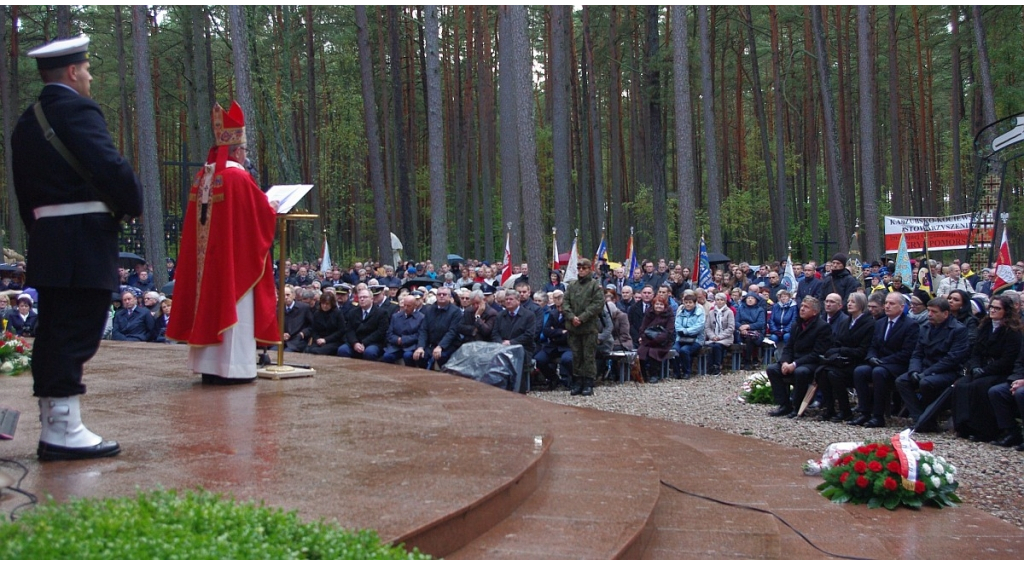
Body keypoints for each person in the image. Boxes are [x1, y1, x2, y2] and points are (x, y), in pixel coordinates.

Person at [12, 35, 144, 460]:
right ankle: (64, 432)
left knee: (53, 334)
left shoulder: (26, 121)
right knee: (76, 332)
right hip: (83, 239)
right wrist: (133, 201)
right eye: (86, 70)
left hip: (50, 241)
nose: (89, 77)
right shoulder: (77, 109)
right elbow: (110, 164)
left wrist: (42, 233)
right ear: (72, 72)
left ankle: (57, 425)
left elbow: (24, 194)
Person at [167, 101, 279, 385]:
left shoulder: (203, 176)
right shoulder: (237, 177)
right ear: (237, 151)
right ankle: (234, 369)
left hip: (208, 264)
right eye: (245, 150)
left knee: (207, 306)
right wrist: (272, 206)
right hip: (231, 262)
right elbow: (258, 216)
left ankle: (209, 367)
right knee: (235, 314)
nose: (245, 155)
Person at [951, 295, 1022, 441]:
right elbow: (976, 351)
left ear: (1006, 311)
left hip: (1000, 371)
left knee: (980, 386)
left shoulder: (1012, 331)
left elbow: (1007, 360)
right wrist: (976, 366)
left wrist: (985, 371)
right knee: (961, 385)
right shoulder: (985, 326)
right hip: (982, 368)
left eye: (998, 308)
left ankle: (985, 430)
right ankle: (964, 427)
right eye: (991, 307)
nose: (993, 311)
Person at [894, 297, 970, 432]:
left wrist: (926, 373)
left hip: (947, 371)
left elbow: (952, 358)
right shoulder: (925, 327)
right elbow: (917, 353)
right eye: (929, 311)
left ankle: (928, 418)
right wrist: (914, 371)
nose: (929, 314)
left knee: (926, 383)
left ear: (945, 314)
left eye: (934, 312)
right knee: (902, 381)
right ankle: (920, 419)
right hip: (925, 368)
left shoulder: (958, 330)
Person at [850, 292, 921, 428]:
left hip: (898, 364)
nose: (887, 306)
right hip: (880, 362)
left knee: (878, 372)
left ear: (901, 307)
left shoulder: (910, 325)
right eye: (886, 303)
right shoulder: (880, 323)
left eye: (891, 304)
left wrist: (884, 361)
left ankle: (878, 416)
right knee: (860, 371)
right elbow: (873, 345)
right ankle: (864, 412)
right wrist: (871, 357)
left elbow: (907, 352)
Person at [766, 297, 832, 418]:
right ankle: (784, 405)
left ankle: (797, 406)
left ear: (815, 311)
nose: (802, 309)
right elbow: (788, 347)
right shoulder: (796, 325)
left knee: (800, 372)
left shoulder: (822, 327)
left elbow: (817, 353)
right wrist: (785, 362)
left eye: (806, 307)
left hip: (810, 362)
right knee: (772, 369)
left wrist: (794, 364)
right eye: (801, 306)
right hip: (793, 360)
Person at [815, 293, 874, 422]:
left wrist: (841, 351)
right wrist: (834, 352)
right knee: (821, 371)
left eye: (853, 302)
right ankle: (829, 408)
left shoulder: (869, 323)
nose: (849, 304)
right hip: (842, 359)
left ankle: (845, 410)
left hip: (857, 361)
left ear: (861, 305)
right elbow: (838, 341)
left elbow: (863, 350)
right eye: (849, 301)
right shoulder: (846, 322)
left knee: (834, 374)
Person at [562, 259, 606, 395]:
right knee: (576, 355)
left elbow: (597, 304)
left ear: (589, 269)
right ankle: (577, 381)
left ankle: (588, 382)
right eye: (579, 268)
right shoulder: (572, 285)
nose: (581, 270)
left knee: (588, 356)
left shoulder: (595, 285)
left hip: (588, 327)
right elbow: (565, 303)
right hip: (573, 327)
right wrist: (571, 317)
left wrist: (581, 318)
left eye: (584, 268)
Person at [413, 286, 462, 369]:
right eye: (439, 294)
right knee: (420, 355)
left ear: (450, 297)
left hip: (449, 345)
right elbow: (423, 330)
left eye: (444, 294)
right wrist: (420, 347)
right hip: (431, 345)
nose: (441, 296)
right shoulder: (429, 310)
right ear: (436, 296)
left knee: (441, 357)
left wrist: (440, 346)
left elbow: (452, 332)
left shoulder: (456, 311)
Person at [338, 288, 389, 361]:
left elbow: (381, 332)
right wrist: (355, 343)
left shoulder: (381, 313)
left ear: (371, 299)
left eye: (364, 297)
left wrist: (364, 343)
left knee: (370, 352)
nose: (362, 299)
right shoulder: (353, 312)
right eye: (360, 297)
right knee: (342, 350)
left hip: (373, 342)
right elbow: (349, 330)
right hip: (355, 342)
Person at [535, 289, 572, 390]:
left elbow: (570, 332)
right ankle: (553, 378)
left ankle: (573, 379)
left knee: (567, 359)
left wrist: (554, 332)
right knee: (539, 359)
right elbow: (546, 331)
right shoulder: (553, 313)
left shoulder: (570, 314)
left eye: (561, 306)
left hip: (567, 345)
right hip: (552, 345)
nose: (559, 308)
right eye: (557, 306)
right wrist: (560, 332)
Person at [637, 295, 675, 384]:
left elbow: (669, 331)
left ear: (665, 306)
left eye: (661, 304)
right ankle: (643, 374)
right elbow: (643, 328)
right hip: (648, 340)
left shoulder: (669, 315)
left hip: (663, 342)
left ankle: (654, 374)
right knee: (641, 351)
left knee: (653, 352)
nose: (659, 306)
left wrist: (656, 340)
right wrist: (645, 338)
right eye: (657, 304)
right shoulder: (648, 313)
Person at [492, 292, 538, 356]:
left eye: (511, 299)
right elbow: (495, 333)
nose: (508, 301)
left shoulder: (529, 315)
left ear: (518, 301)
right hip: (502, 348)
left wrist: (511, 343)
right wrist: (501, 343)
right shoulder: (500, 315)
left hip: (522, 348)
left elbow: (529, 335)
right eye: (506, 299)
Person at [382, 295, 424, 364]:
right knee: (387, 356)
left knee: (407, 356)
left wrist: (403, 340)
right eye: (404, 305)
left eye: (409, 306)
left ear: (415, 306)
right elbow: (389, 333)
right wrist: (397, 339)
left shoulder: (421, 318)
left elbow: (419, 335)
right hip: (396, 346)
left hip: (411, 346)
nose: (405, 308)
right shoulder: (396, 316)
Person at [673, 291, 705, 379]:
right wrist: (682, 331)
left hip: (696, 339)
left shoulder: (700, 312)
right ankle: (676, 372)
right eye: (686, 303)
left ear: (695, 303)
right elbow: (677, 325)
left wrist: (686, 331)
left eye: (690, 303)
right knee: (674, 350)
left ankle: (686, 372)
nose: (688, 305)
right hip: (681, 338)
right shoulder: (680, 312)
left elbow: (699, 327)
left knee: (684, 350)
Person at [704, 292, 735, 376]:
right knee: (711, 347)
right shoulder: (711, 313)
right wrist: (713, 336)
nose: (719, 302)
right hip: (713, 337)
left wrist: (719, 337)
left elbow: (731, 328)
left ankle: (717, 367)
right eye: (717, 300)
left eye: (722, 300)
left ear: (725, 301)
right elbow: (707, 327)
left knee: (717, 346)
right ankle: (710, 367)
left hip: (725, 338)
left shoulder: (729, 312)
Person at [735, 291, 766, 370]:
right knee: (738, 336)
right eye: (748, 298)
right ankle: (739, 360)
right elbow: (736, 321)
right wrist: (741, 328)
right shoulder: (740, 308)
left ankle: (747, 361)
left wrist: (748, 326)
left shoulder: (760, 310)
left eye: (752, 298)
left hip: (756, 331)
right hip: (741, 331)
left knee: (749, 339)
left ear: (756, 300)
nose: (750, 300)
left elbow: (761, 323)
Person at [280, 285, 313, 352]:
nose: (286, 297)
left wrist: (303, 333)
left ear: (293, 295)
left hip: (297, 340)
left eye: (288, 295)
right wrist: (281, 334)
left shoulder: (304, 308)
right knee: (273, 351)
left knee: (287, 352)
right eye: (283, 295)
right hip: (282, 340)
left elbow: (311, 325)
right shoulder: (279, 309)